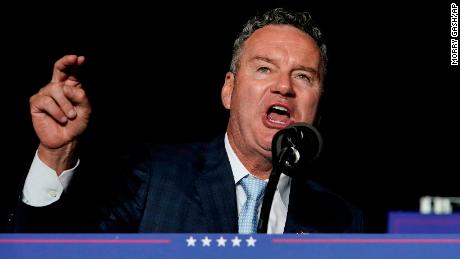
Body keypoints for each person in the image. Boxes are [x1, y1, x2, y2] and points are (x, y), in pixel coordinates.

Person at [14, 8, 364, 233]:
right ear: (229, 90)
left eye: (303, 76)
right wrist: (53, 155)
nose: (284, 87)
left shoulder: (341, 220)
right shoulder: (153, 177)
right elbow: (46, 253)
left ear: (317, 106)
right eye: (264, 68)